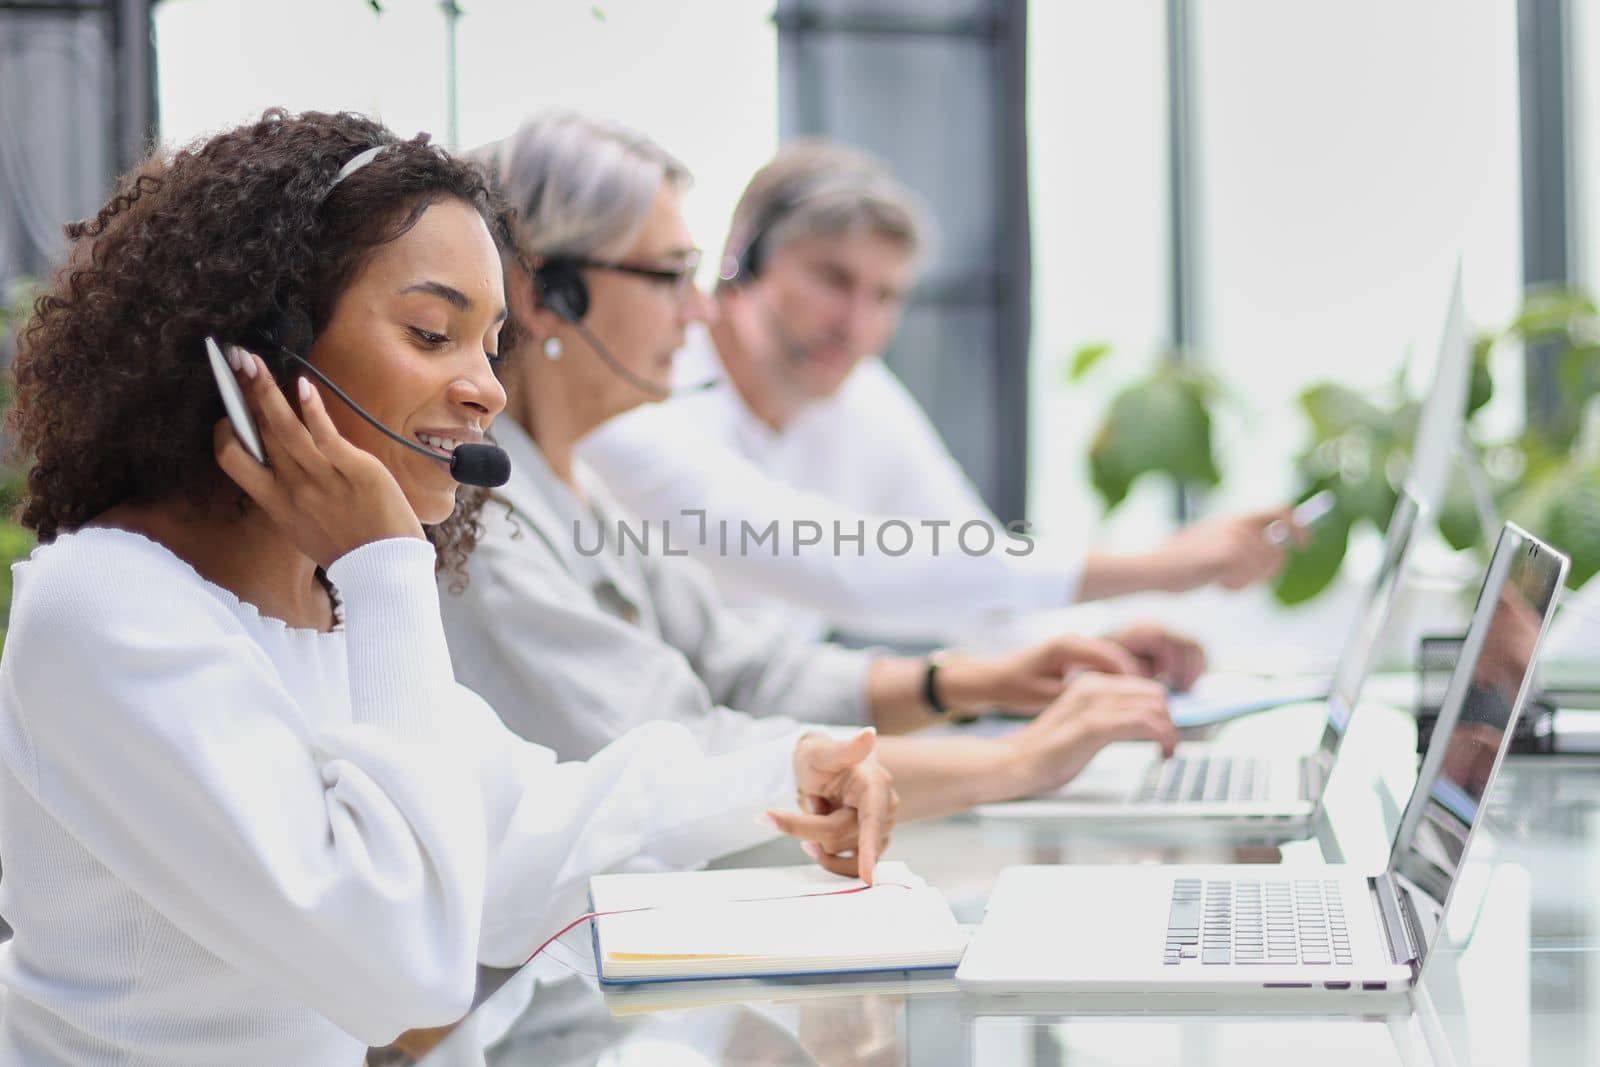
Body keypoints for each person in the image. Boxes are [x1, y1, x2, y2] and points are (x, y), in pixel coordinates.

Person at [0, 110, 894, 1067]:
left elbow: (523, 827)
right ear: (260, 347)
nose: (487, 389)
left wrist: (787, 771)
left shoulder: (315, 606)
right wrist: (386, 567)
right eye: (434, 333)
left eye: (491, 340)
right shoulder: (108, 610)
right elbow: (401, 966)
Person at [444, 111, 1179, 829]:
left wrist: (960, 680)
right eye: (670, 275)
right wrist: (1017, 760)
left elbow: (748, 669)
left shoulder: (579, 485)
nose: (698, 309)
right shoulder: (481, 527)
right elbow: (681, 757)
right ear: (544, 294)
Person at [577, 140, 1301, 647]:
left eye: (886, 295)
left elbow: (963, 554)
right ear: (744, 262)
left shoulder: (860, 396)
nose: (856, 324)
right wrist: (1161, 566)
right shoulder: (638, 389)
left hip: (774, 763)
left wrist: (1093, 649)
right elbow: (840, 558)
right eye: (832, 279)